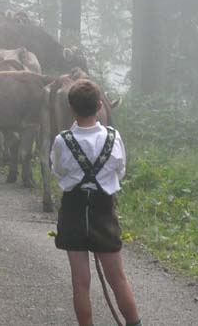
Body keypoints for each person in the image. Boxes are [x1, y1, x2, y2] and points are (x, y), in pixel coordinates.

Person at [50, 79, 142, 326]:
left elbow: (58, 171)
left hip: (73, 211)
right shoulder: (113, 137)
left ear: (71, 109)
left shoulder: (62, 140)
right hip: (103, 211)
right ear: (100, 106)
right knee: (118, 279)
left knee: (80, 282)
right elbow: (120, 171)